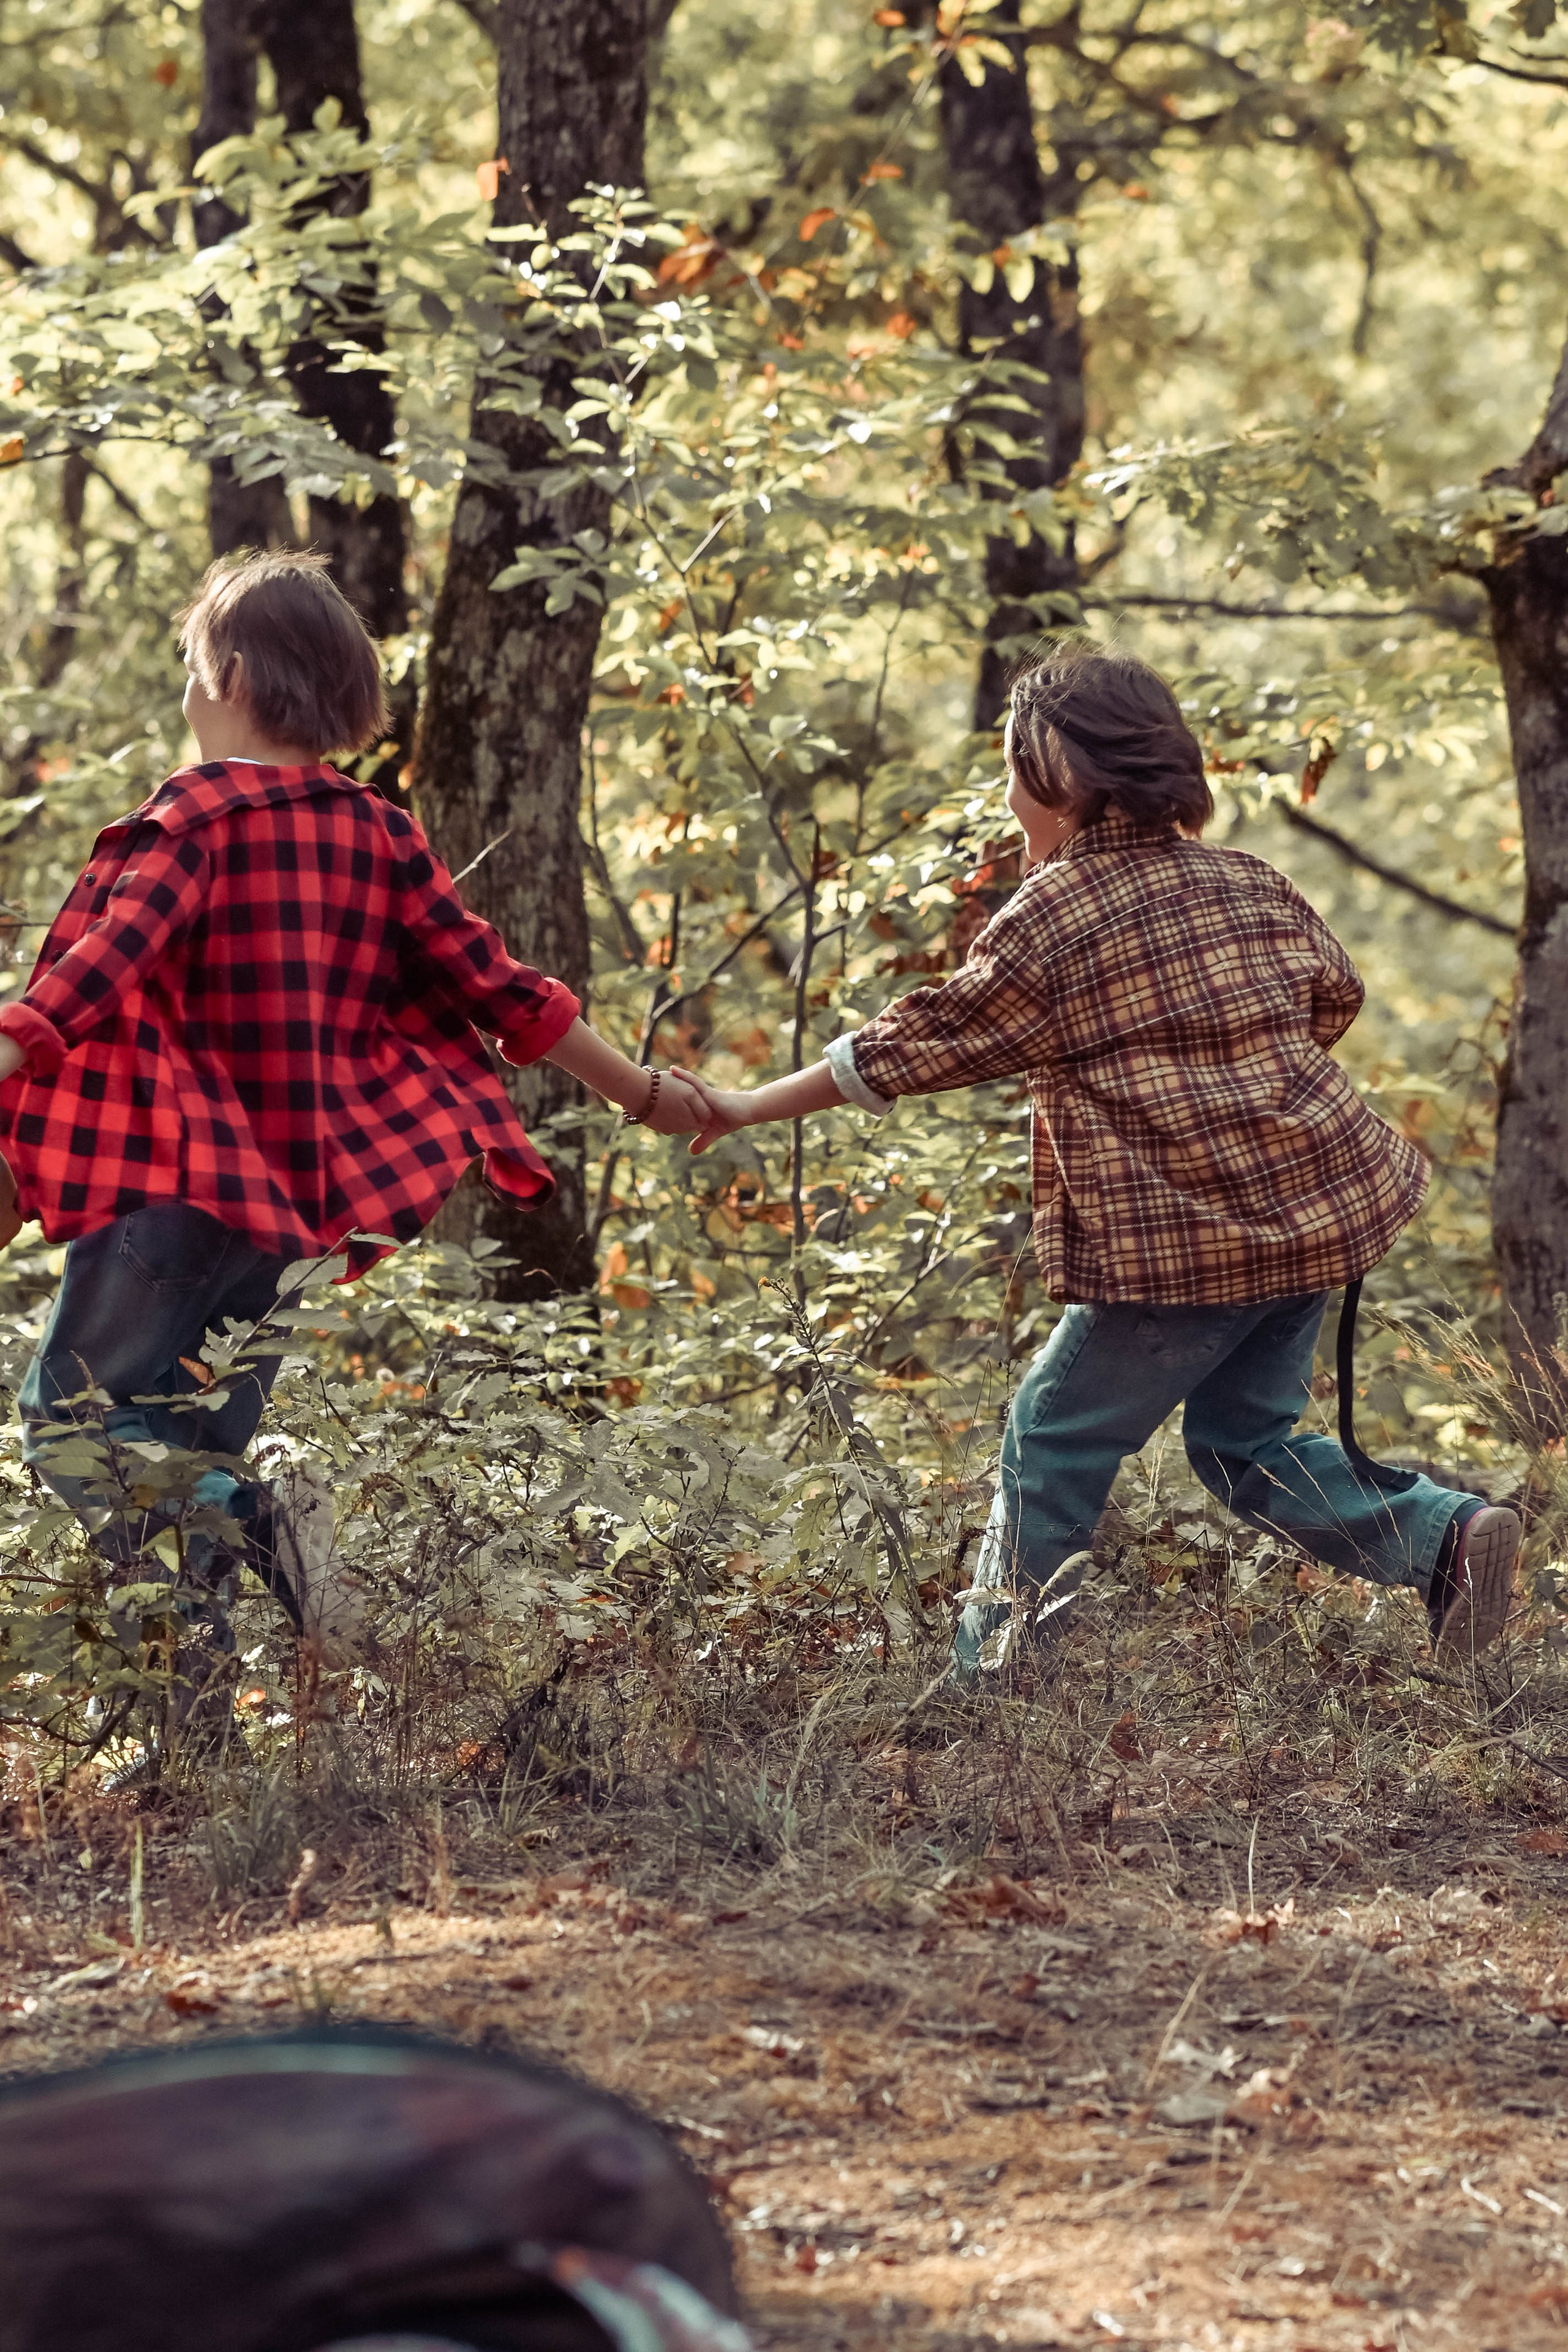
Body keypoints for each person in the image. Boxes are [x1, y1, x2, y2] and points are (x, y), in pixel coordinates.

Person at [684, 641, 1521, 1676]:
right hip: (1315, 1213)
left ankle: (999, 1673)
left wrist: (745, 1103)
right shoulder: (1247, 880)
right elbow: (1331, 995)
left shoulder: (1056, 914)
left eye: (1011, 772)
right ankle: (1442, 1538)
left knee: (1053, 1435)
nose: (1007, 799)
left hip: (1192, 1248)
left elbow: (927, 1038)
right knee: (1242, 1445)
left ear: (1064, 776)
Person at [0, 550, 706, 1678]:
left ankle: (257, 1513)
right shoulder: (376, 832)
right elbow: (502, 990)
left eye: (191, 671)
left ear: (227, 674)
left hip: (168, 1195)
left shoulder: (195, 819)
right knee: (186, 1439)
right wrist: (649, 1094)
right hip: (292, 1219)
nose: (188, 697)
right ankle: (192, 1724)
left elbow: (86, 982)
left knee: (80, 1428)